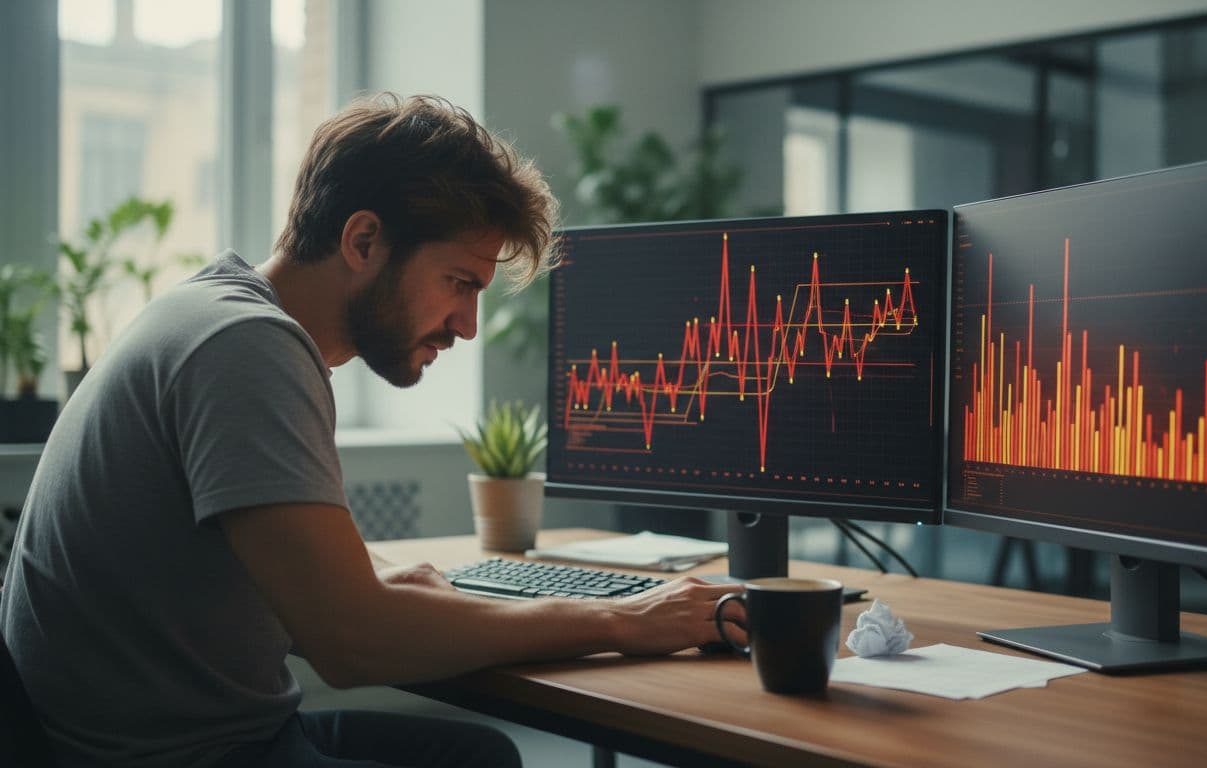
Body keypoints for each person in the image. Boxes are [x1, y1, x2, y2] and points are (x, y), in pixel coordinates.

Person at [0, 94, 746, 768]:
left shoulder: (218, 314)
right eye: (459, 282)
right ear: (363, 241)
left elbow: (292, 593)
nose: (467, 324)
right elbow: (353, 642)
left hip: (201, 732)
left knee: (478, 755)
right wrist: (620, 618)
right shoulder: (246, 347)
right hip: (180, 756)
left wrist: (381, 588)